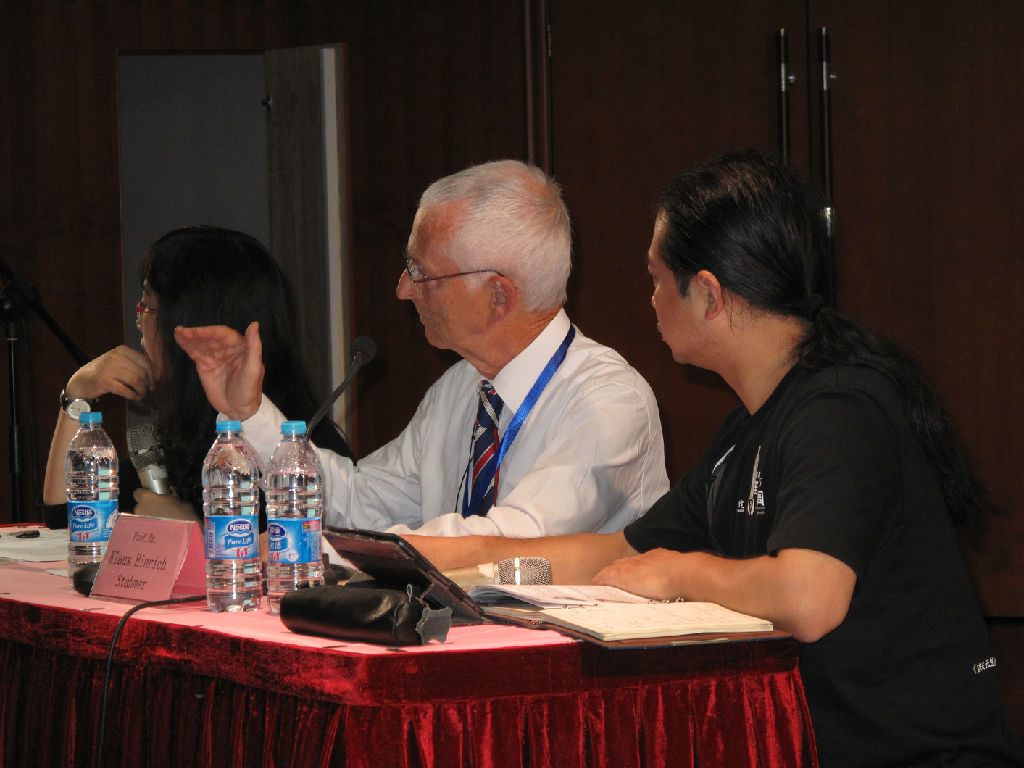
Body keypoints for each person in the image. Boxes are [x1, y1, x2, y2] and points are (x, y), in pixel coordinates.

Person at [403, 151, 1024, 767]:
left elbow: (808, 597)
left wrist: (682, 573)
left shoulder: (841, 407)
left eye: (656, 277)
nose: (650, 299)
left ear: (707, 294)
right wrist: (444, 563)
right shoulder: (746, 430)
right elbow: (616, 552)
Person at [176, 160, 668, 536]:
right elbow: (359, 503)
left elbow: (511, 545)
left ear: (498, 295)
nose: (402, 290)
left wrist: (337, 555)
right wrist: (249, 412)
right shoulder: (459, 390)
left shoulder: (608, 401)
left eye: (421, 273)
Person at [41, 226, 353, 525]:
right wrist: (79, 393)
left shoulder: (302, 447)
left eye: (147, 305)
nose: (138, 319)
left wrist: (193, 532)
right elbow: (66, 517)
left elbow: (301, 549)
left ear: (190, 322)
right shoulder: (188, 432)